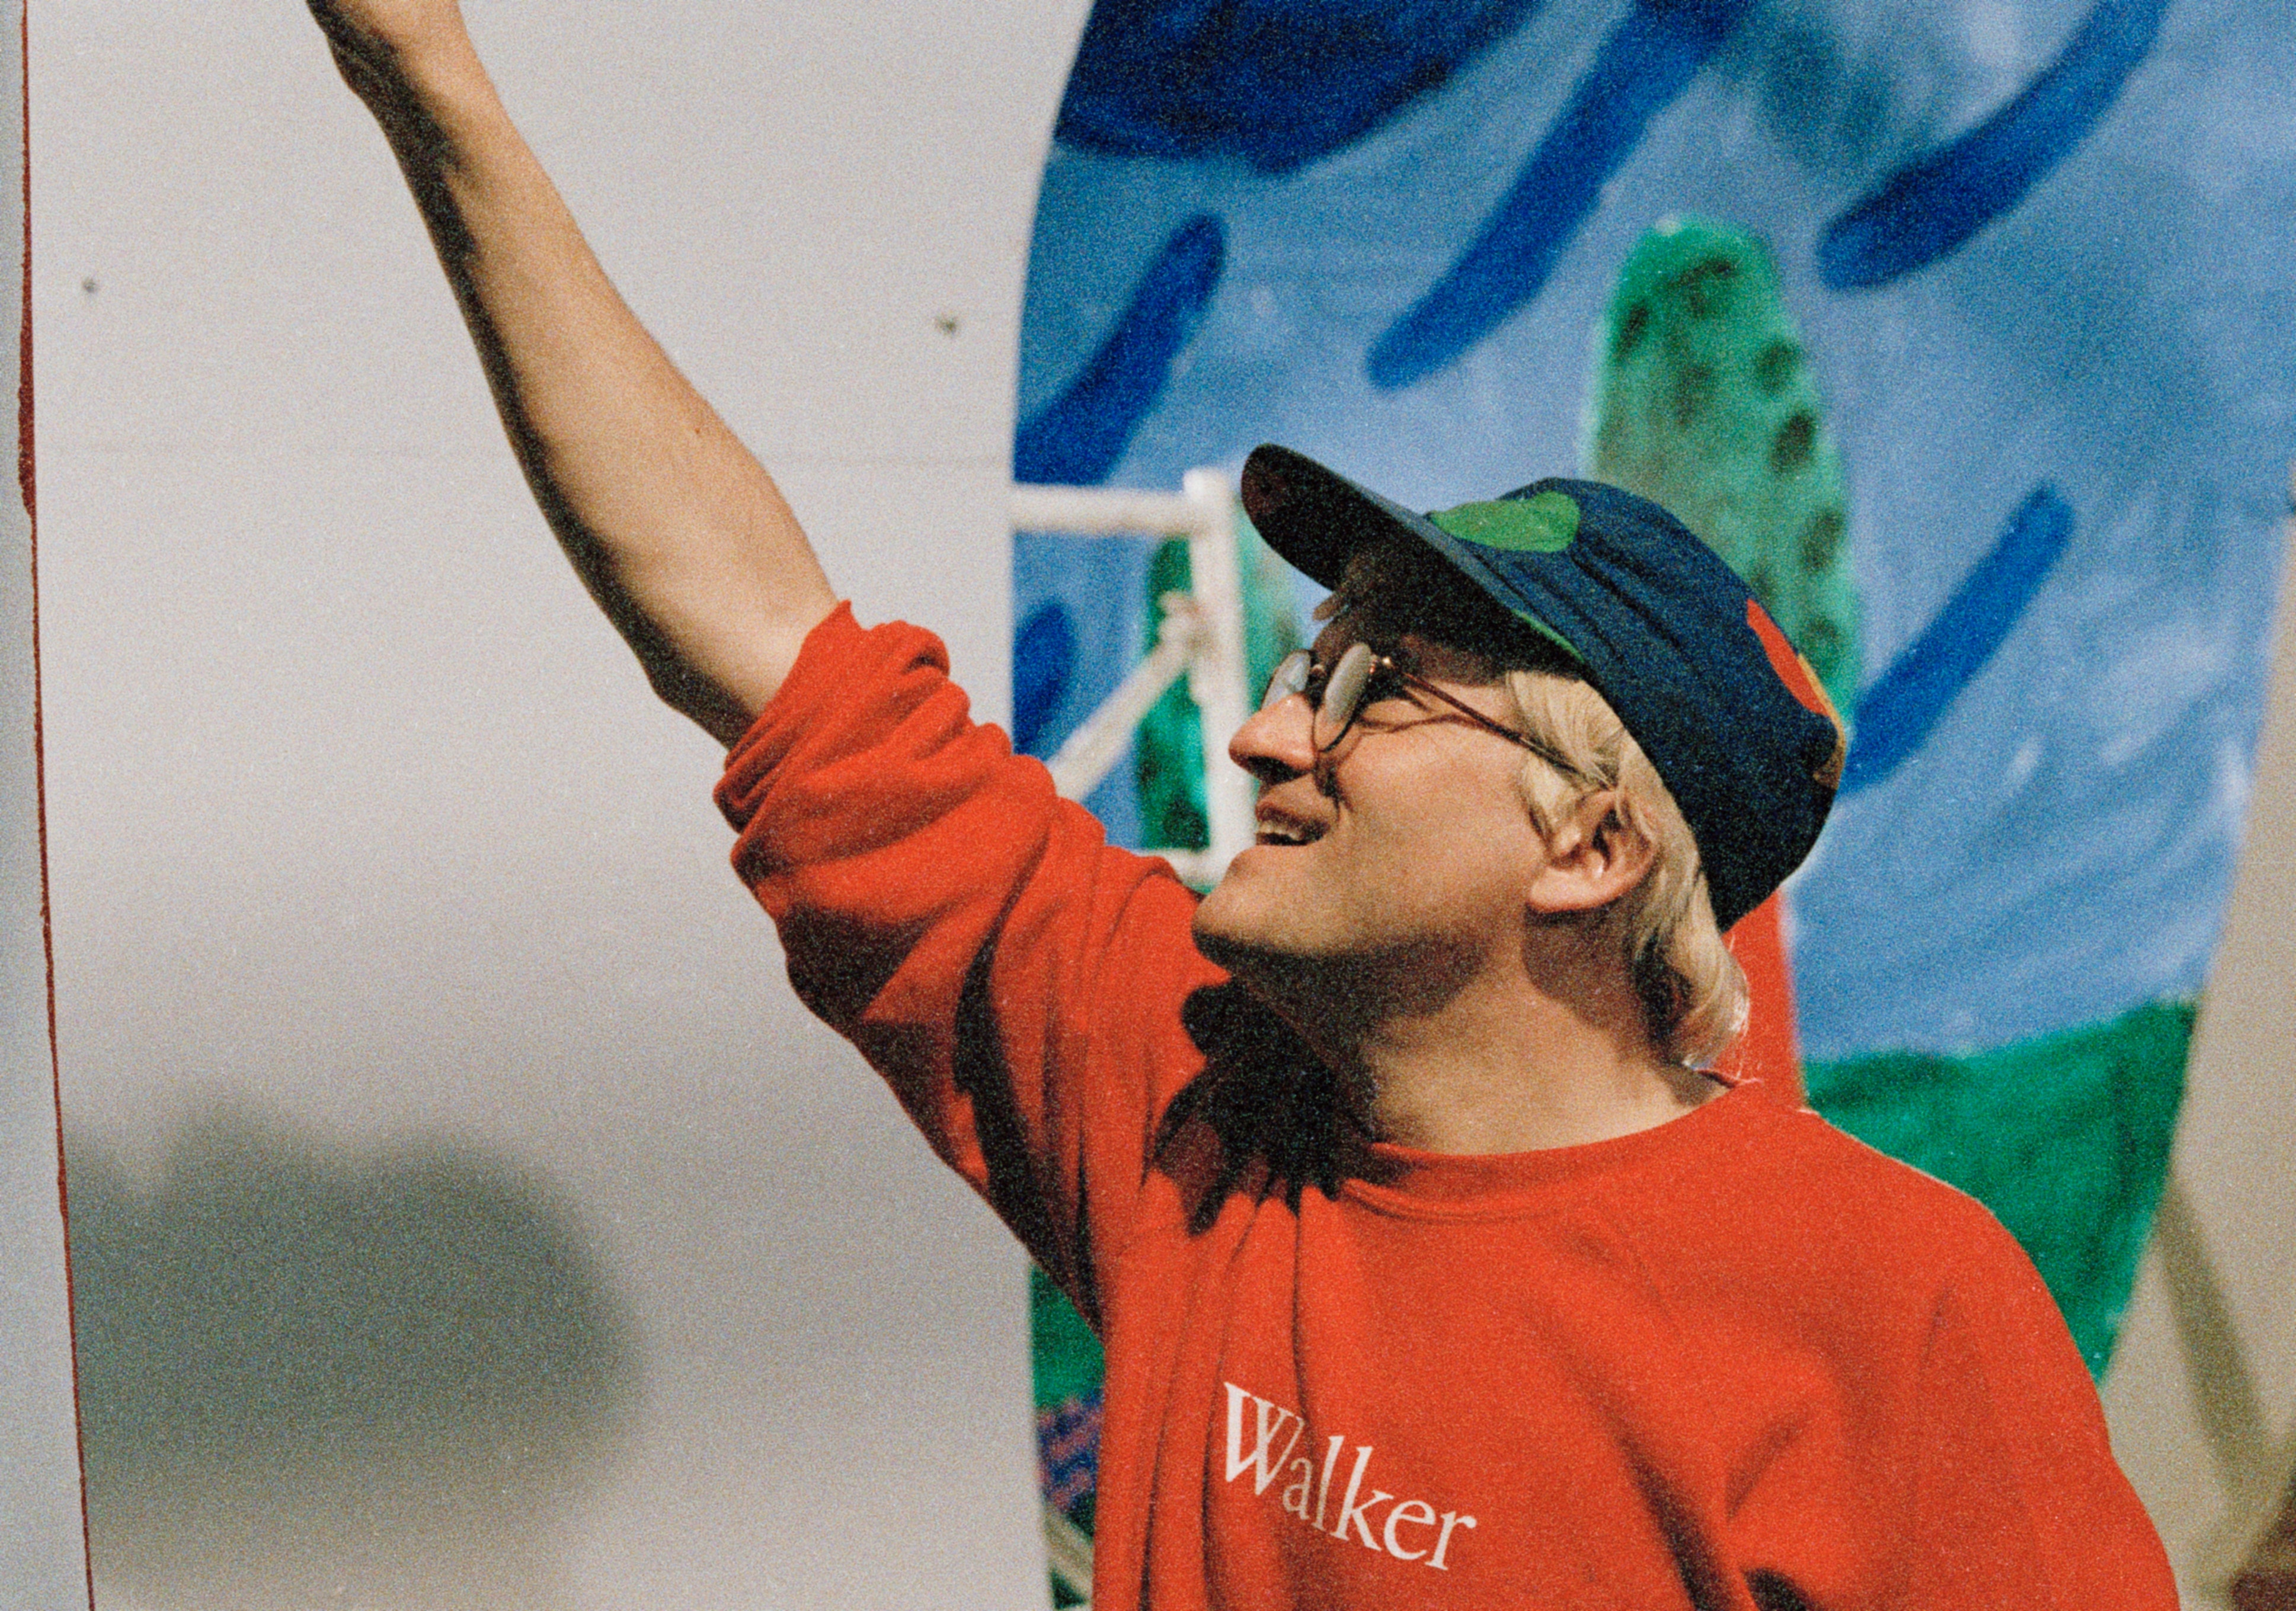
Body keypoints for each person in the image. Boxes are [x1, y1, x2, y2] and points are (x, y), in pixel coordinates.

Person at [303, 3, 2180, 1606]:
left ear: (1591, 846)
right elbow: (753, 633)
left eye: (1371, 689)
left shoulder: (1892, 1313)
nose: (1275, 735)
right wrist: (429, 76)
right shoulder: (1183, 1081)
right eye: (1304, 664)